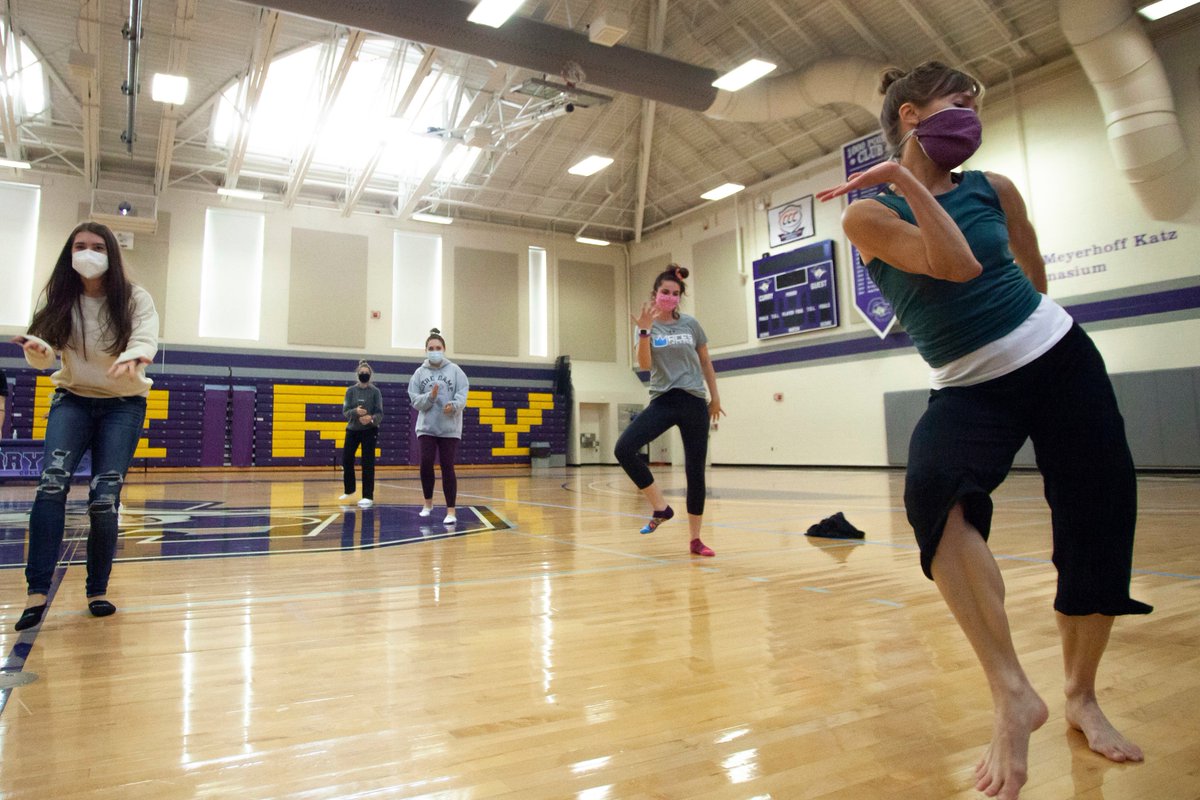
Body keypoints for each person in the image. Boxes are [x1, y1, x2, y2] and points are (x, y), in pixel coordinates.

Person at [816, 61, 1152, 800]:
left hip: (1059, 359)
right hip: (967, 385)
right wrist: (906, 185)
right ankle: (1012, 694)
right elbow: (958, 265)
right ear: (910, 113)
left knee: (1098, 522)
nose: (972, 113)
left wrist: (1029, 330)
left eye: (978, 104)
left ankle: (1081, 696)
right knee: (937, 494)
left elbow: (1029, 272)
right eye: (959, 100)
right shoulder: (867, 214)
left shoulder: (995, 189)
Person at [10, 221, 158, 631]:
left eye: (96, 246)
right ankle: (36, 592)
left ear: (110, 254)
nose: (87, 253)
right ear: (69, 253)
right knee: (51, 484)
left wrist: (136, 355)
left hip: (123, 405)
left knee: (104, 497)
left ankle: (97, 590)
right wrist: (39, 350)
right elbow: (42, 352)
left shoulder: (134, 298)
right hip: (72, 399)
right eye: (80, 246)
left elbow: (147, 337)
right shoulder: (60, 299)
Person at [614, 264, 724, 557]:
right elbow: (646, 365)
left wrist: (715, 398)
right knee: (624, 448)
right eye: (665, 292)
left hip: (693, 401)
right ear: (655, 293)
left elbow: (706, 363)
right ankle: (660, 508)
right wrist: (644, 331)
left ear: (680, 297)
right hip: (663, 400)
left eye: (675, 293)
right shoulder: (648, 326)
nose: (670, 297)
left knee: (695, 472)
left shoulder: (691, 325)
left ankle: (695, 540)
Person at [408, 329, 468, 524]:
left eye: (438, 348)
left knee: (447, 466)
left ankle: (451, 511)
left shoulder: (455, 371)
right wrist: (430, 397)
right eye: (431, 348)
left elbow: (462, 394)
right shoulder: (419, 373)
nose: (434, 351)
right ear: (426, 350)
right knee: (426, 463)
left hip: (449, 428)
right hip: (427, 427)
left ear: (444, 349)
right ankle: (428, 504)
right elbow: (415, 400)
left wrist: (454, 405)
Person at [340, 360, 383, 508]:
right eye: (362, 373)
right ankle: (349, 489)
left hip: (369, 431)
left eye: (366, 373)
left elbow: (379, 413)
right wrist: (355, 412)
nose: (364, 375)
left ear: (370, 375)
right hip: (352, 430)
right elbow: (345, 412)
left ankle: (367, 496)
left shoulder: (375, 392)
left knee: (368, 462)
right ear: (357, 374)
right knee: (347, 459)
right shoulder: (350, 391)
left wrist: (370, 419)